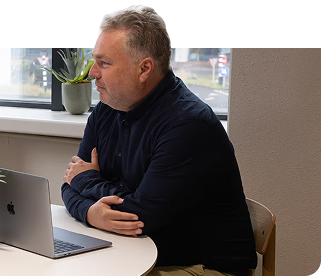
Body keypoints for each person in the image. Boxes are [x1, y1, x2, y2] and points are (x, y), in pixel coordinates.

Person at [61, 6, 257, 276]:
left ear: (144, 68)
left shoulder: (188, 124)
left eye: (104, 63)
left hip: (203, 267)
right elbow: (68, 185)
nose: (93, 73)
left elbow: (139, 217)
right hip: (134, 252)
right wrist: (89, 212)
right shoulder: (107, 107)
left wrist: (85, 182)